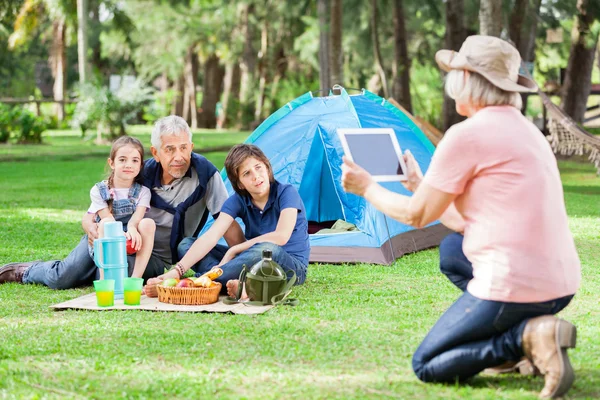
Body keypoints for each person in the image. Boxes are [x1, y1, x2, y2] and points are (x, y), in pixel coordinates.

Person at [341, 35, 580, 399]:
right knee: (454, 251)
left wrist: (367, 187)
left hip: (516, 285)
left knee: (428, 364)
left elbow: (417, 216)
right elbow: (467, 220)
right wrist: (418, 184)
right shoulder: (527, 131)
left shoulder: (467, 135)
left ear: (465, 78)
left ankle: (526, 338)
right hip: (559, 283)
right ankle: (522, 333)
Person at [0, 115, 241, 288]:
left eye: (183, 148)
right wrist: (90, 225)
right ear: (156, 153)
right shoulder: (139, 172)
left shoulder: (206, 175)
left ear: (191, 147)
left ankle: (94, 272)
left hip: (155, 259)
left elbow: (226, 220)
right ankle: (26, 271)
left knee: (116, 269)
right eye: (169, 149)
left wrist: (244, 256)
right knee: (64, 277)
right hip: (112, 238)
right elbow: (96, 208)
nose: (178, 157)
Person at [147, 144, 309, 297]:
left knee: (267, 249)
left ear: (267, 168)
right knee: (187, 244)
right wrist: (178, 270)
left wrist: (234, 250)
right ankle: (233, 280)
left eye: (258, 168)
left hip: (289, 265)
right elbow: (212, 235)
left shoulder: (286, 192)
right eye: (247, 173)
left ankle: (200, 281)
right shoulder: (238, 200)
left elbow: (281, 236)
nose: (256, 176)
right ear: (240, 183)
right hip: (253, 260)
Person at [88, 135, 155, 279]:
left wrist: (131, 230)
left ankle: (136, 278)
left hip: (132, 241)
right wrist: (120, 234)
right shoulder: (98, 190)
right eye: (122, 160)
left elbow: (135, 220)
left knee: (148, 223)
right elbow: (108, 219)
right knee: (105, 223)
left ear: (141, 165)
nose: (128, 165)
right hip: (107, 242)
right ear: (111, 163)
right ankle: (105, 279)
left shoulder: (143, 192)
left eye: (134, 160)